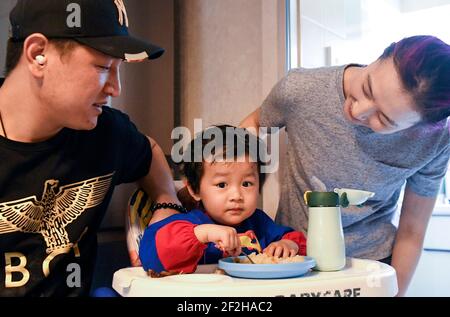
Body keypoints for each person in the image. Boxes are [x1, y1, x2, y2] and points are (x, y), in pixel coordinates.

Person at [240, 35, 450, 296]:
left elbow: (412, 230)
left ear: (420, 129)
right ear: (380, 57)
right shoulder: (300, 90)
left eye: (384, 119)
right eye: (368, 87)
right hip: (292, 258)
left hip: (370, 267)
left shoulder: (437, 139)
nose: (359, 110)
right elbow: (254, 126)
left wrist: (395, 293)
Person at [0, 0, 184, 297]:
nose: (116, 88)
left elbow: (148, 152)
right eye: (103, 67)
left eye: (118, 69)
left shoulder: (106, 132)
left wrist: (167, 201)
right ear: (38, 54)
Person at [139, 125, 307, 275]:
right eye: (221, 185)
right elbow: (150, 256)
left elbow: (295, 238)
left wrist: (288, 245)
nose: (236, 195)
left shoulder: (259, 223)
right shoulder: (188, 224)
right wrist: (202, 234)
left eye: (247, 183)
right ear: (195, 190)